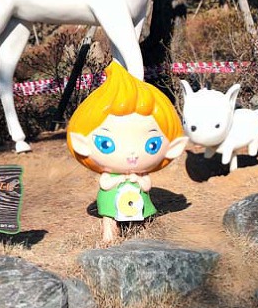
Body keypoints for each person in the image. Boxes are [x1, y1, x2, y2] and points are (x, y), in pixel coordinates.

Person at [66, 61, 187, 243]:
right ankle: (109, 235)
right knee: (109, 214)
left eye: (152, 144)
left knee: (140, 213)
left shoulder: (141, 173)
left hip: (136, 201)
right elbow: (105, 183)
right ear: (81, 144)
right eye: (105, 144)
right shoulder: (109, 173)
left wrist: (139, 179)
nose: (131, 153)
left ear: (172, 147)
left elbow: (146, 185)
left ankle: (142, 231)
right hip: (112, 200)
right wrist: (120, 179)